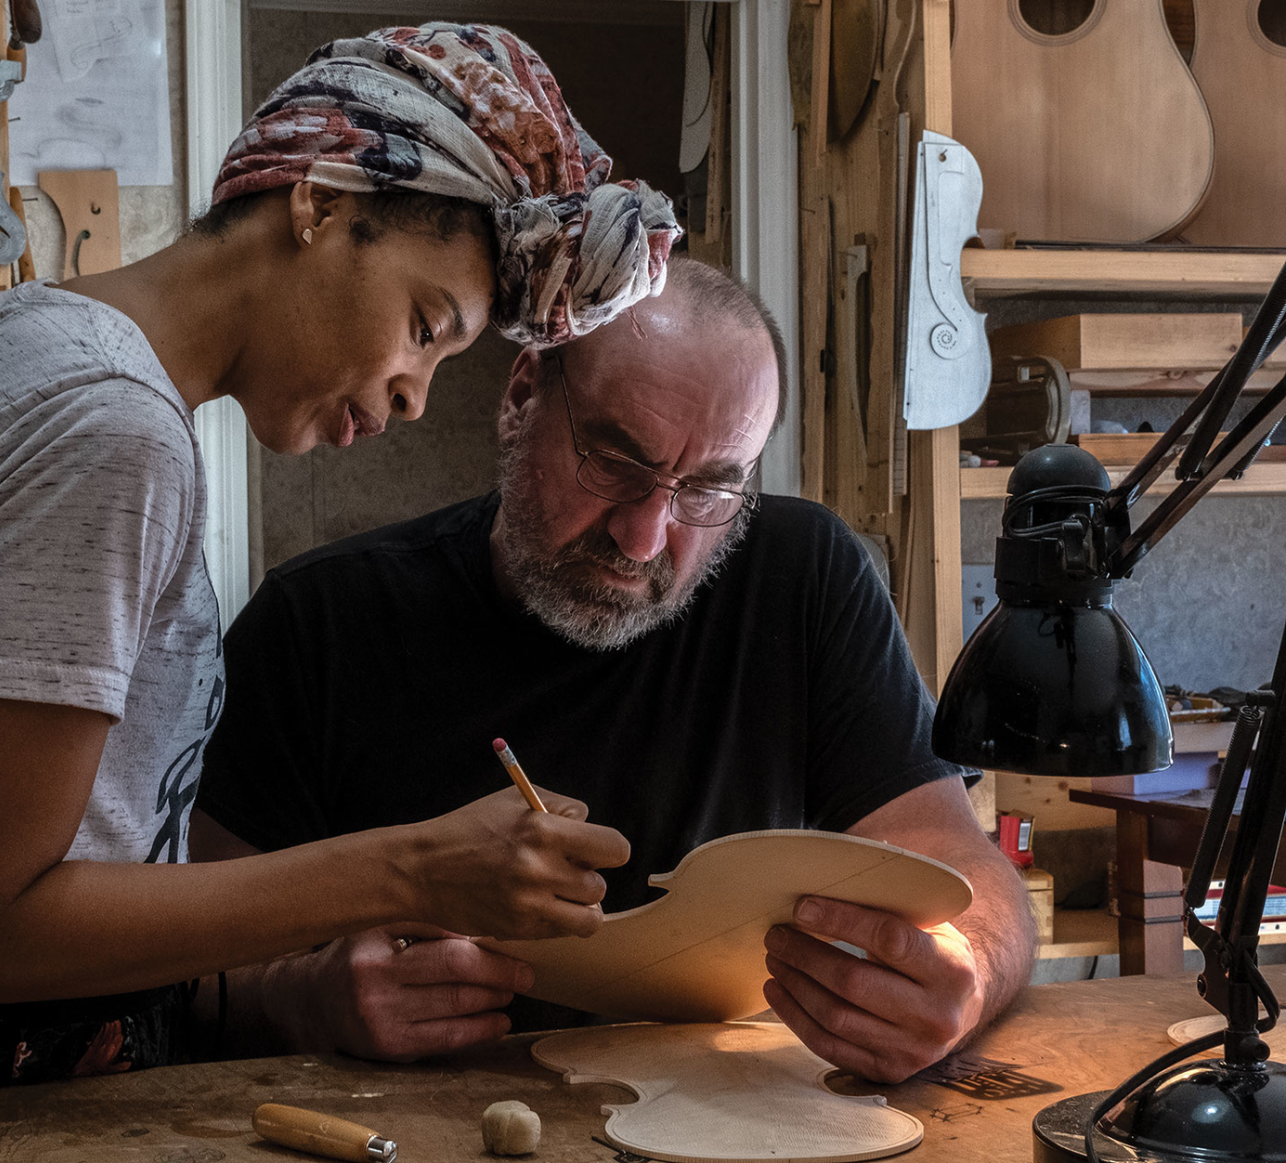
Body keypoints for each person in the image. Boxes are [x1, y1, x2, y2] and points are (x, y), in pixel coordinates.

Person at [0, 24, 681, 1098]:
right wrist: (406, 868)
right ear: (322, 201)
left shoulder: (4, 337)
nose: (413, 391)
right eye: (423, 323)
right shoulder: (112, 432)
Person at [191, 256, 1037, 1085]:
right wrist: (305, 998)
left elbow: (967, 876)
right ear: (521, 396)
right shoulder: (321, 623)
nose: (642, 537)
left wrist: (960, 979)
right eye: (614, 464)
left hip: (726, 1122)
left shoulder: (804, 576)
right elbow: (183, 976)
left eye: (706, 490)